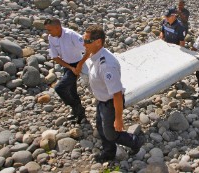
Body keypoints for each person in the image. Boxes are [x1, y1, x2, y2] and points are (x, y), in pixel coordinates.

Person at [76, 25, 145, 162]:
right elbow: (88, 54)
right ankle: (109, 153)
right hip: (101, 101)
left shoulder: (107, 65)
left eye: (87, 41)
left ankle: (135, 142)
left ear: (98, 42)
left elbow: (117, 95)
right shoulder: (95, 53)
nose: (83, 44)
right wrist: (81, 63)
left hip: (110, 103)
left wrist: (118, 119)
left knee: (112, 134)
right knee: (101, 128)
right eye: (83, 40)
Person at [44, 17, 87, 123]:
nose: (47, 32)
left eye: (49, 29)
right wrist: (70, 68)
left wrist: (79, 66)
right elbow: (54, 57)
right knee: (71, 90)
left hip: (78, 63)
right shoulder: (51, 37)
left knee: (60, 88)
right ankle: (78, 111)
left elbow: (88, 49)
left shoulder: (71, 35)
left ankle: (78, 109)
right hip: (67, 65)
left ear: (58, 27)